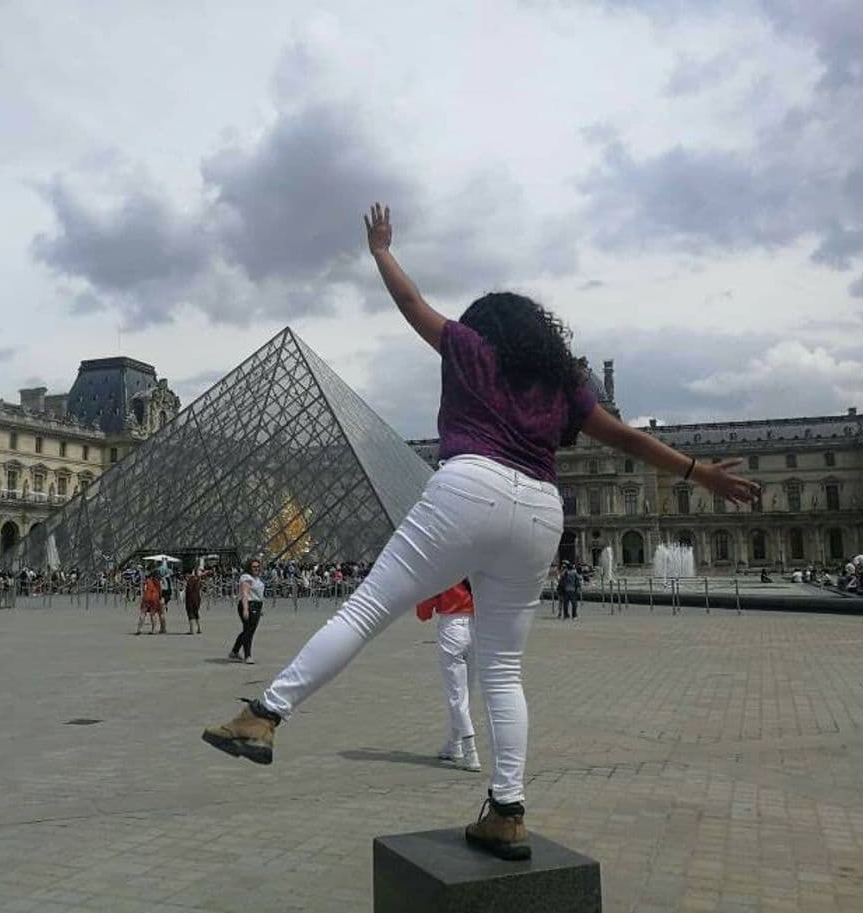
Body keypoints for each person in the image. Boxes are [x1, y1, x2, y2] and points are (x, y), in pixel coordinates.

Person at [202, 203, 759, 861]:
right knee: (502, 667)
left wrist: (381, 250)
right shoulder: (565, 380)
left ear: (485, 325)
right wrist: (699, 473)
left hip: (470, 486)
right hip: (540, 512)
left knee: (366, 609)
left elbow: (411, 302)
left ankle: (265, 715)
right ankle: (508, 808)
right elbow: (627, 437)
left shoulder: (470, 348)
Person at [417, 581, 481, 772]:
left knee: (457, 696)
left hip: (452, 626)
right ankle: (455, 744)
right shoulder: (474, 569)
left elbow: (423, 612)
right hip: (475, 626)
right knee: (466, 693)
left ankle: (471, 752)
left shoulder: (444, 570)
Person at [228, 559, 265, 664]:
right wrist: (245, 609)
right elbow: (245, 594)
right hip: (249, 604)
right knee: (249, 631)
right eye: (254, 567)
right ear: (249, 567)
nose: (256, 568)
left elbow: (259, 595)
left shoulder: (257, 578)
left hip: (256, 605)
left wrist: (261, 608)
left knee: (248, 630)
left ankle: (235, 651)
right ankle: (247, 655)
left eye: (258, 566)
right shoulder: (246, 578)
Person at [135, 570, 164, 634]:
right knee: (153, 614)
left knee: (143, 613)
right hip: (155, 598)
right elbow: (160, 591)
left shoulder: (147, 581)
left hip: (147, 597)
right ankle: (153, 630)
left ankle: (139, 629)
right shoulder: (159, 582)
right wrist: (160, 598)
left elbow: (144, 589)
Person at [185, 570, 203, 635]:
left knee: (191, 614)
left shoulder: (190, 580)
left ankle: (192, 630)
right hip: (197, 598)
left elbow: (189, 590)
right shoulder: (198, 580)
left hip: (191, 599)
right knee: (196, 613)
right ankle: (199, 628)